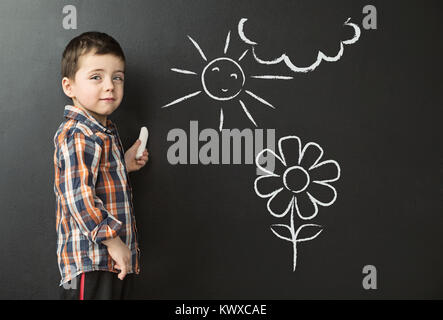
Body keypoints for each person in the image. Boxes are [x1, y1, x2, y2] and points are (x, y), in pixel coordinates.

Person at [53, 31, 149, 300]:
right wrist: (112, 239)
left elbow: (95, 179)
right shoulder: (78, 134)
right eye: (96, 77)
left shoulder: (101, 132)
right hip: (92, 260)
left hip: (111, 261)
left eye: (117, 77)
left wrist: (123, 165)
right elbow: (78, 197)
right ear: (69, 86)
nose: (110, 85)